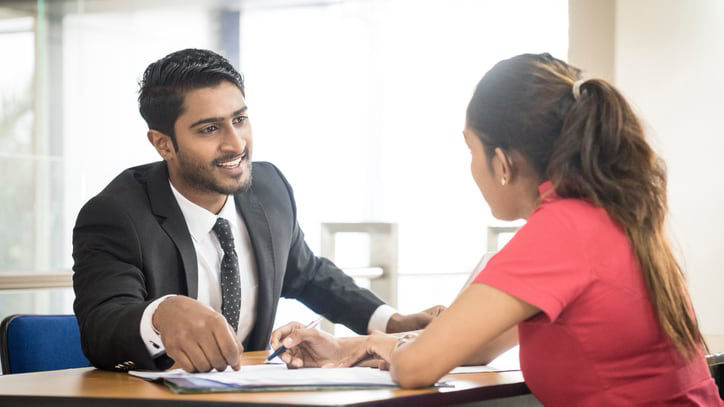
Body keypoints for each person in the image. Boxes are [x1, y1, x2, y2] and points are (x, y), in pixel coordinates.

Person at [270, 53, 722, 405]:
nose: (471, 167)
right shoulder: (605, 216)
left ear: (503, 163)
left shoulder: (558, 233)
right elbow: (478, 346)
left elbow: (417, 368)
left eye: (471, 150)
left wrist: (382, 349)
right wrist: (353, 348)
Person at [72, 48, 441, 373]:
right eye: (209, 129)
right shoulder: (116, 215)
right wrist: (160, 315)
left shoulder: (269, 188)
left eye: (239, 119)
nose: (235, 144)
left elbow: (309, 275)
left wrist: (392, 322)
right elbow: (102, 326)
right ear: (163, 144)